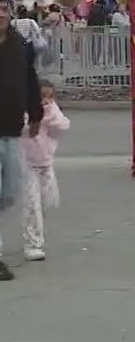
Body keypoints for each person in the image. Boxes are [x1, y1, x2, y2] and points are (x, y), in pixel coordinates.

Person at [0, 0, 44, 281]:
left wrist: (36, 112)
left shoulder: (18, 43)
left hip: (12, 129)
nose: (1, 13)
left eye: (4, 8)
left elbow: (29, 77)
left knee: (10, 192)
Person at [21, 80, 68, 261]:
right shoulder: (26, 111)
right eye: (42, 97)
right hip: (27, 163)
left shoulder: (52, 110)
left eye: (50, 97)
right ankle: (32, 244)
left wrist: (50, 116)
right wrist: (37, 119)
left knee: (48, 201)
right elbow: (24, 130)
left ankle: (37, 233)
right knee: (32, 204)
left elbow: (63, 126)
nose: (46, 101)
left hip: (46, 162)